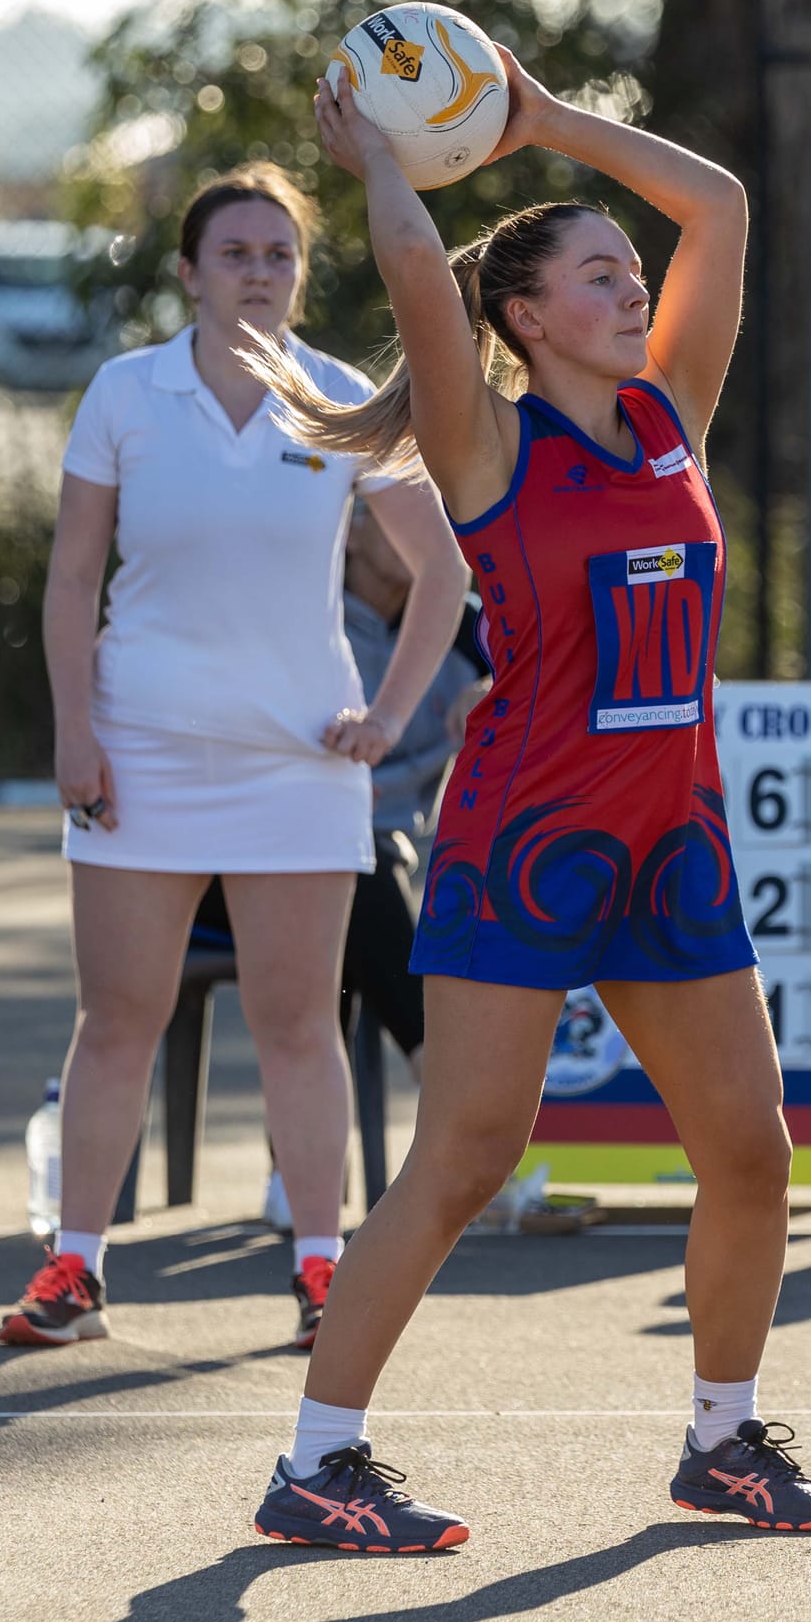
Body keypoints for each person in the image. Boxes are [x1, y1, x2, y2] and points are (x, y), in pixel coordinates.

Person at [244, 50, 811, 1552]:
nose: (632, 286)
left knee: (754, 1149)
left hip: (673, 842)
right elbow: (410, 271)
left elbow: (718, 205)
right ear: (522, 318)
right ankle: (318, 1460)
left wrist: (543, 119)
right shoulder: (489, 445)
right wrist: (386, 157)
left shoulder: (669, 422)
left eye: (629, 271)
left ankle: (722, 1438)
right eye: (597, 273)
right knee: (466, 1156)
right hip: (525, 837)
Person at [0, 164, 468, 1355]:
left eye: (278, 253)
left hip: (300, 765)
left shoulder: (344, 396)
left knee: (299, 1023)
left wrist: (388, 717)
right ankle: (74, 1271)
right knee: (118, 1018)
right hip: (137, 751)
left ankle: (322, 1272)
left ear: (298, 272)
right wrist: (73, 728)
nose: (258, 271)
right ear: (189, 272)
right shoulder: (123, 392)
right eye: (235, 253)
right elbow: (70, 579)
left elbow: (444, 573)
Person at [257, 498, 492, 1229]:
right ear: (350, 531)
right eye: (396, 510)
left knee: (358, 887)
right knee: (337, 876)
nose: (424, 525)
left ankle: (295, 1173)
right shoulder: (303, 620)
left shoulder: (469, 627)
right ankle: (454, 1106)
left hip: (396, 859)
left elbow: (559, 694)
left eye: (435, 512)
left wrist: (501, 701)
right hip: (272, 850)